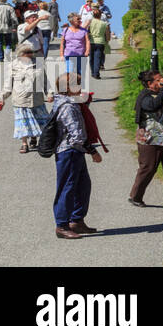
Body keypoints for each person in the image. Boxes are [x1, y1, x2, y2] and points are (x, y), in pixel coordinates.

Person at [51, 71, 101, 239]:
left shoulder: (70, 101)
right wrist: (92, 150)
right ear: (69, 88)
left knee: (83, 185)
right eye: (77, 84)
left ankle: (77, 221)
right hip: (69, 152)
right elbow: (76, 134)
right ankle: (62, 225)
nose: (80, 87)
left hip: (76, 151)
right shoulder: (67, 106)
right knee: (67, 188)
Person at [128, 70, 163, 209]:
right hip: (151, 141)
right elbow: (153, 106)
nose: (162, 81)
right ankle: (136, 196)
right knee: (148, 168)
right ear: (149, 83)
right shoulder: (144, 97)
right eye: (159, 80)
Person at [0, 41, 51, 153]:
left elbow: (45, 82)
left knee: (41, 121)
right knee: (23, 123)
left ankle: (34, 137)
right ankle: (24, 144)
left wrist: (49, 93)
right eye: (28, 52)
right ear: (20, 54)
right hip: (20, 100)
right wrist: (2, 98)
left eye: (31, 52)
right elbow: (8, 85)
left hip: (37, 99)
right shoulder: (12, 65)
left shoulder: (39, 63)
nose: (31, 54)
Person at [62, 15, 90, 81]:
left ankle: (78, 88)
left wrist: (87, 51)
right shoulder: (66, 30)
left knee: (79, 73)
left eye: (80, 19)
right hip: (69, 54)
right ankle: (69, 88)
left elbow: (87, 41)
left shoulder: (84, 30)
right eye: (78, 19)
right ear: (72, 21)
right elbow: (62, 42)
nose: (80, 21)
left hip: (80, 54)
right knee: (69, 71)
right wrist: (61, 54)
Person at [86, 8, 110, 80]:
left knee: (91, 59)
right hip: (100, 42)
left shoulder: (90, 22)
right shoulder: (104, 24)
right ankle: (96, 73)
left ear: (93, 15)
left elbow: (86, 31)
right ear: (100, 15)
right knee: (98, 58)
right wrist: (107, 40)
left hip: (91, 41)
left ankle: (93, 72)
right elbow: (107, 34)